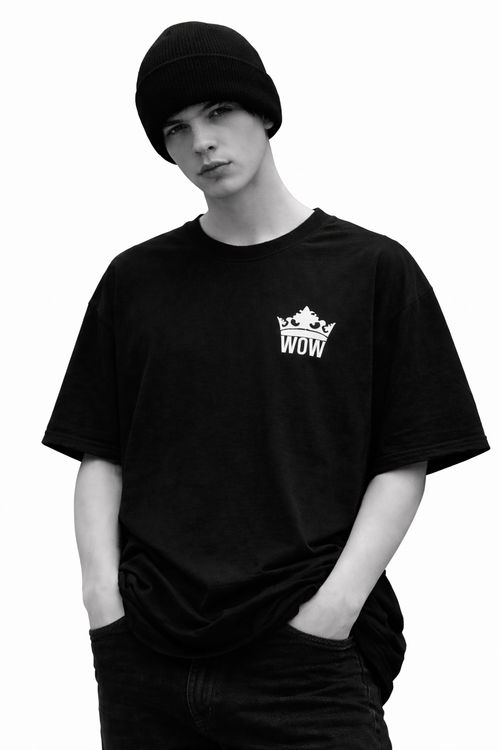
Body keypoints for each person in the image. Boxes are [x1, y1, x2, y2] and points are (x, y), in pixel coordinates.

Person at [42, 21, 489, 750]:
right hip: (146, 655)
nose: (202, 142)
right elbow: (101, 454)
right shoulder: (136, 281)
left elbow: (405, 459)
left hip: (305, 659)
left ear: (265, 113)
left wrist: (333, 610)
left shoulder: (370, 270)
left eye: (219, 112)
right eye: (176, 128)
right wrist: (101, 602)